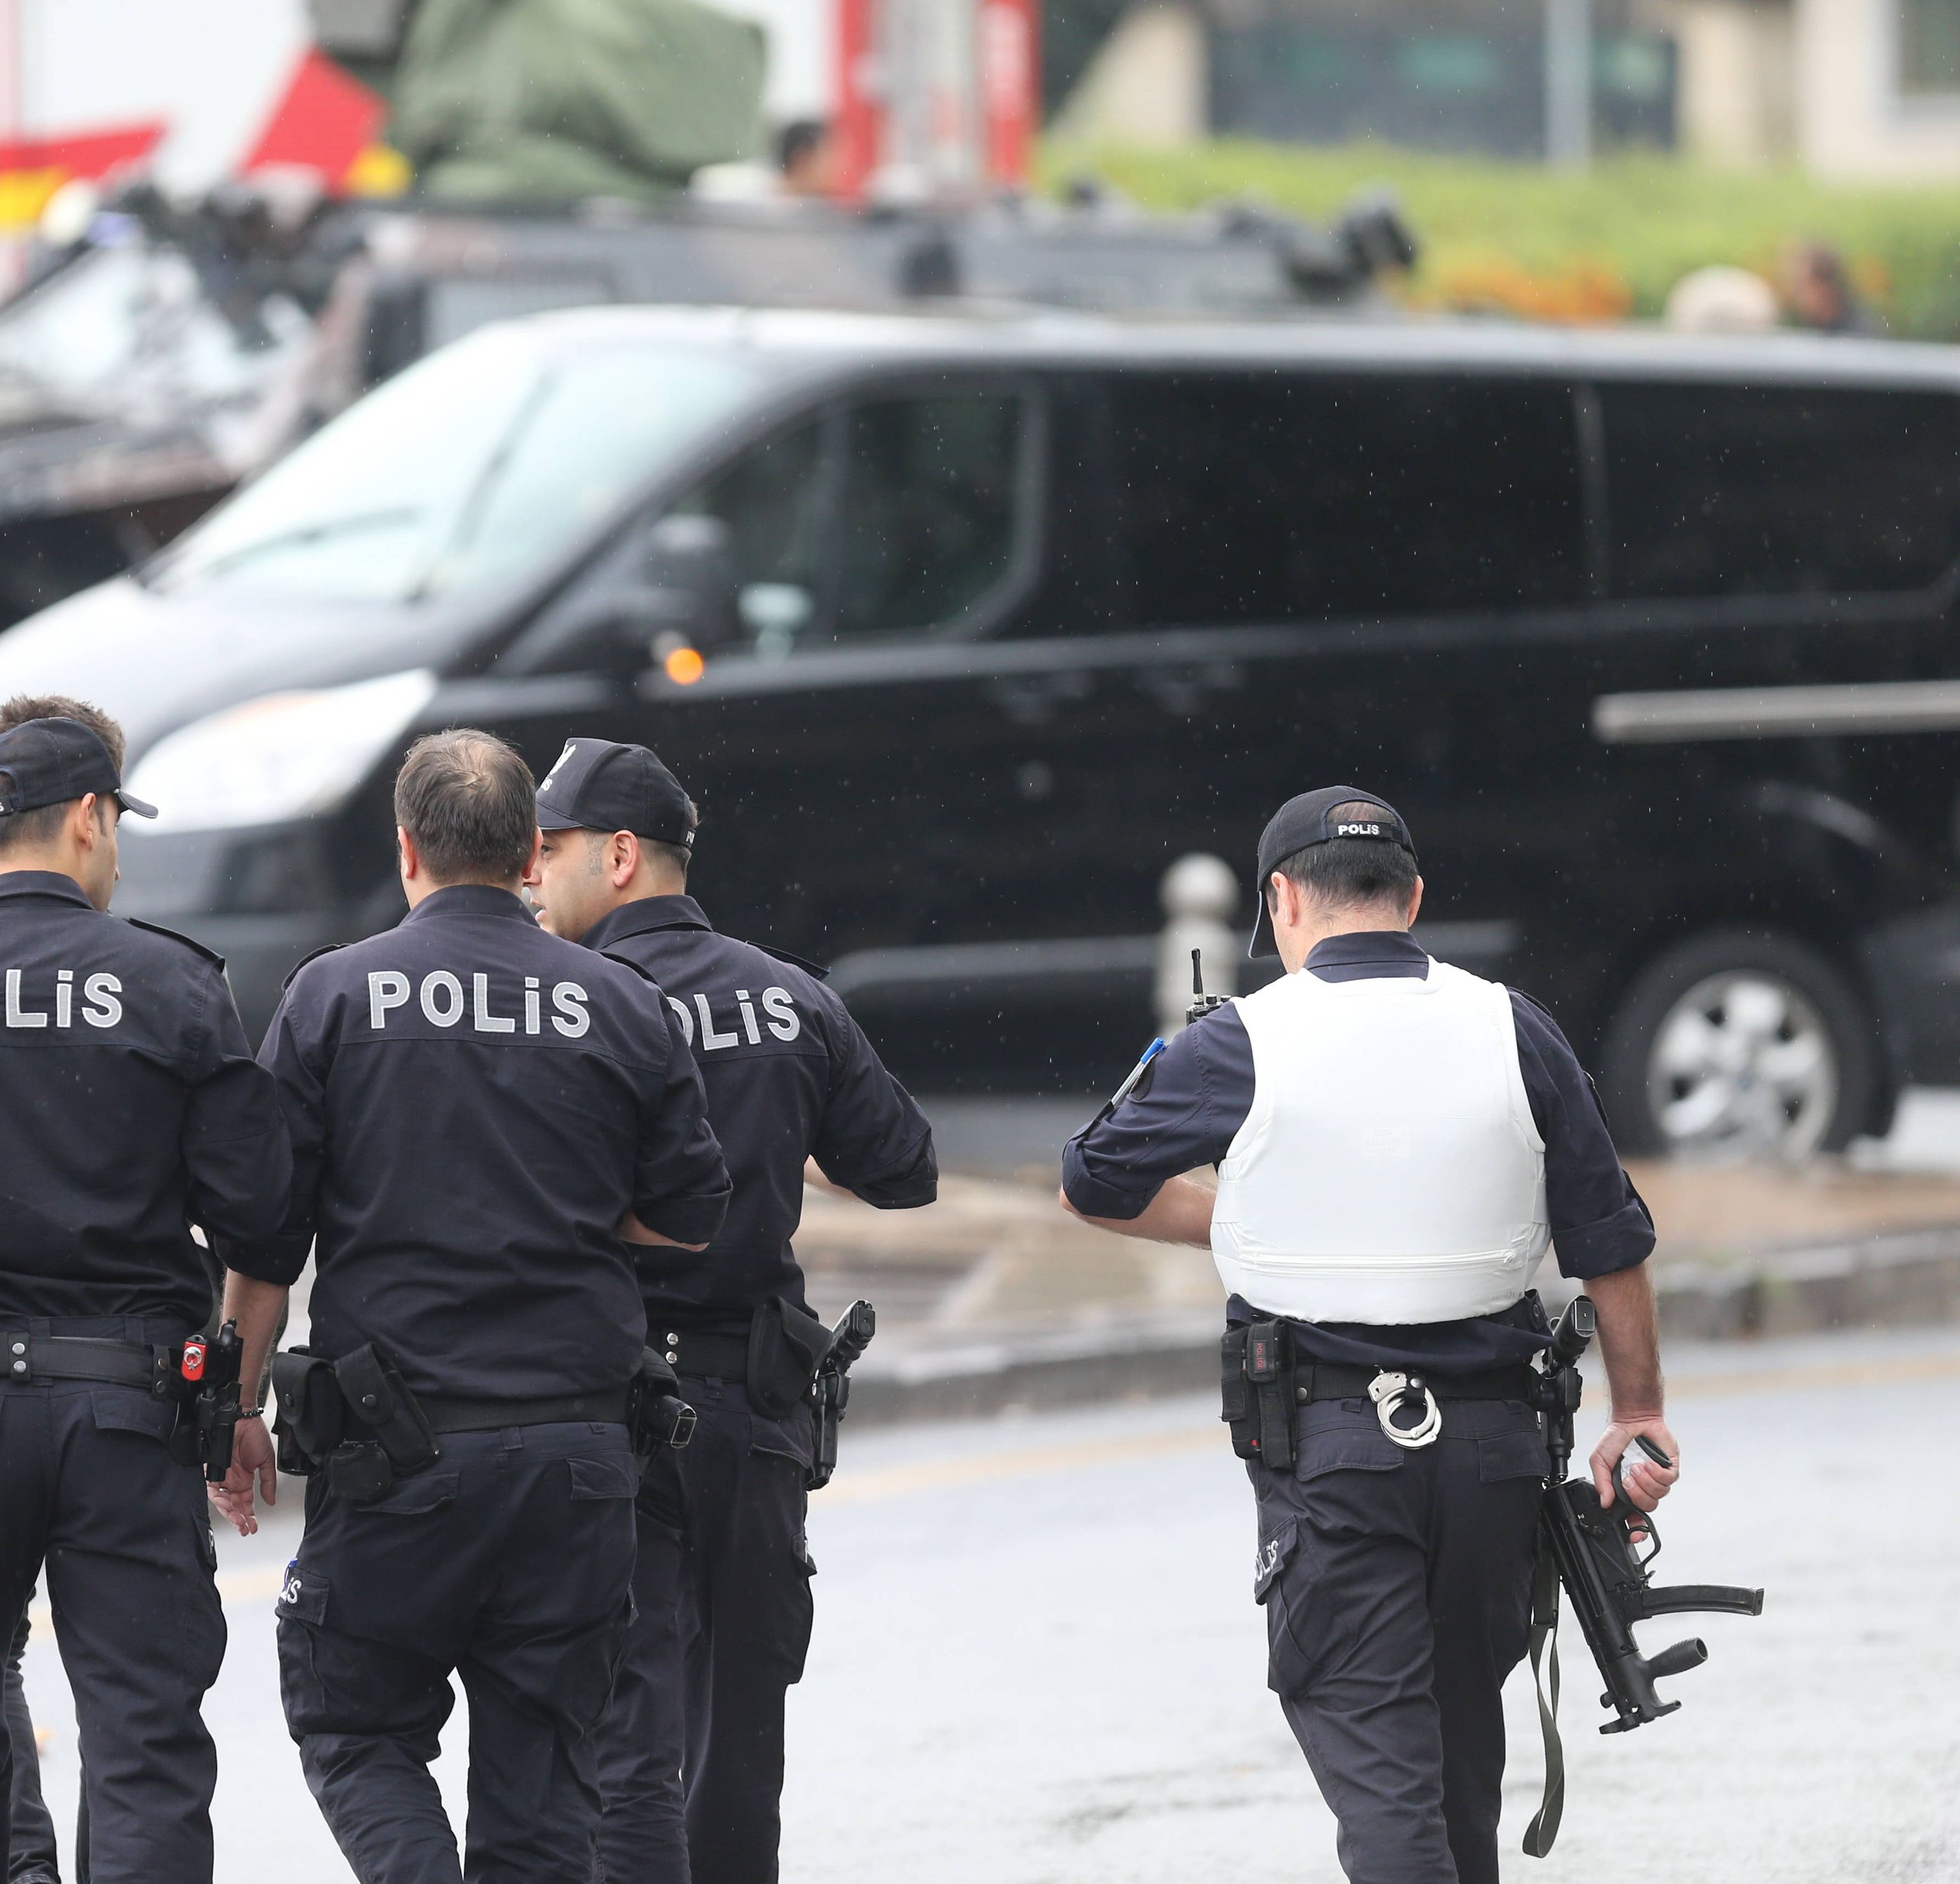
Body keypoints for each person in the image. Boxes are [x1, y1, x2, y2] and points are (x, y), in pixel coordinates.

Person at [1059, 788, 1679, 1884]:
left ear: (1281, 900)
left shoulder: (1243, 1038)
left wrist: (1245, 1222)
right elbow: (1609, 1241)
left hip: (1334, 1449)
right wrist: (1638, 1414)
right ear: (1413, 898)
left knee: (1387, 1768)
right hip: (1495, 1459)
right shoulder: (1512, 1022)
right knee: (1456, 1758)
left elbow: (1094, 1179)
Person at [215, 728, 731, 1884]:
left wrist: (231, 1408)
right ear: (528, 857)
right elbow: (692, 1212)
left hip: (397, 1453)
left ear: (407, 852)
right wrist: (567, 1209)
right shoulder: (622, 1002)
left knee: (356, 1729)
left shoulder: (330, 996)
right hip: (579, 1455)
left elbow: (266, 1237)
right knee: (544, 1784)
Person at [0, 696, 291, 1884]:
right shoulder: (177, 987)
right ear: (86, 819)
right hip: (128, 1415)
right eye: (116, 824)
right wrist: (237, 1398)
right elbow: (259, 1220)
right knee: (143, 1740)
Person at [522, 738, 935, 1884]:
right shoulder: (788, 992)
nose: (529, 875)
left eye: (547, 850)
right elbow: (903, 1167)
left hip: (610, 1406)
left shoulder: (563, 1000)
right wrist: (778, 1136)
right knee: (743, 1731)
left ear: (617, 855)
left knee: (625, 1733)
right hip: (752, 1407)